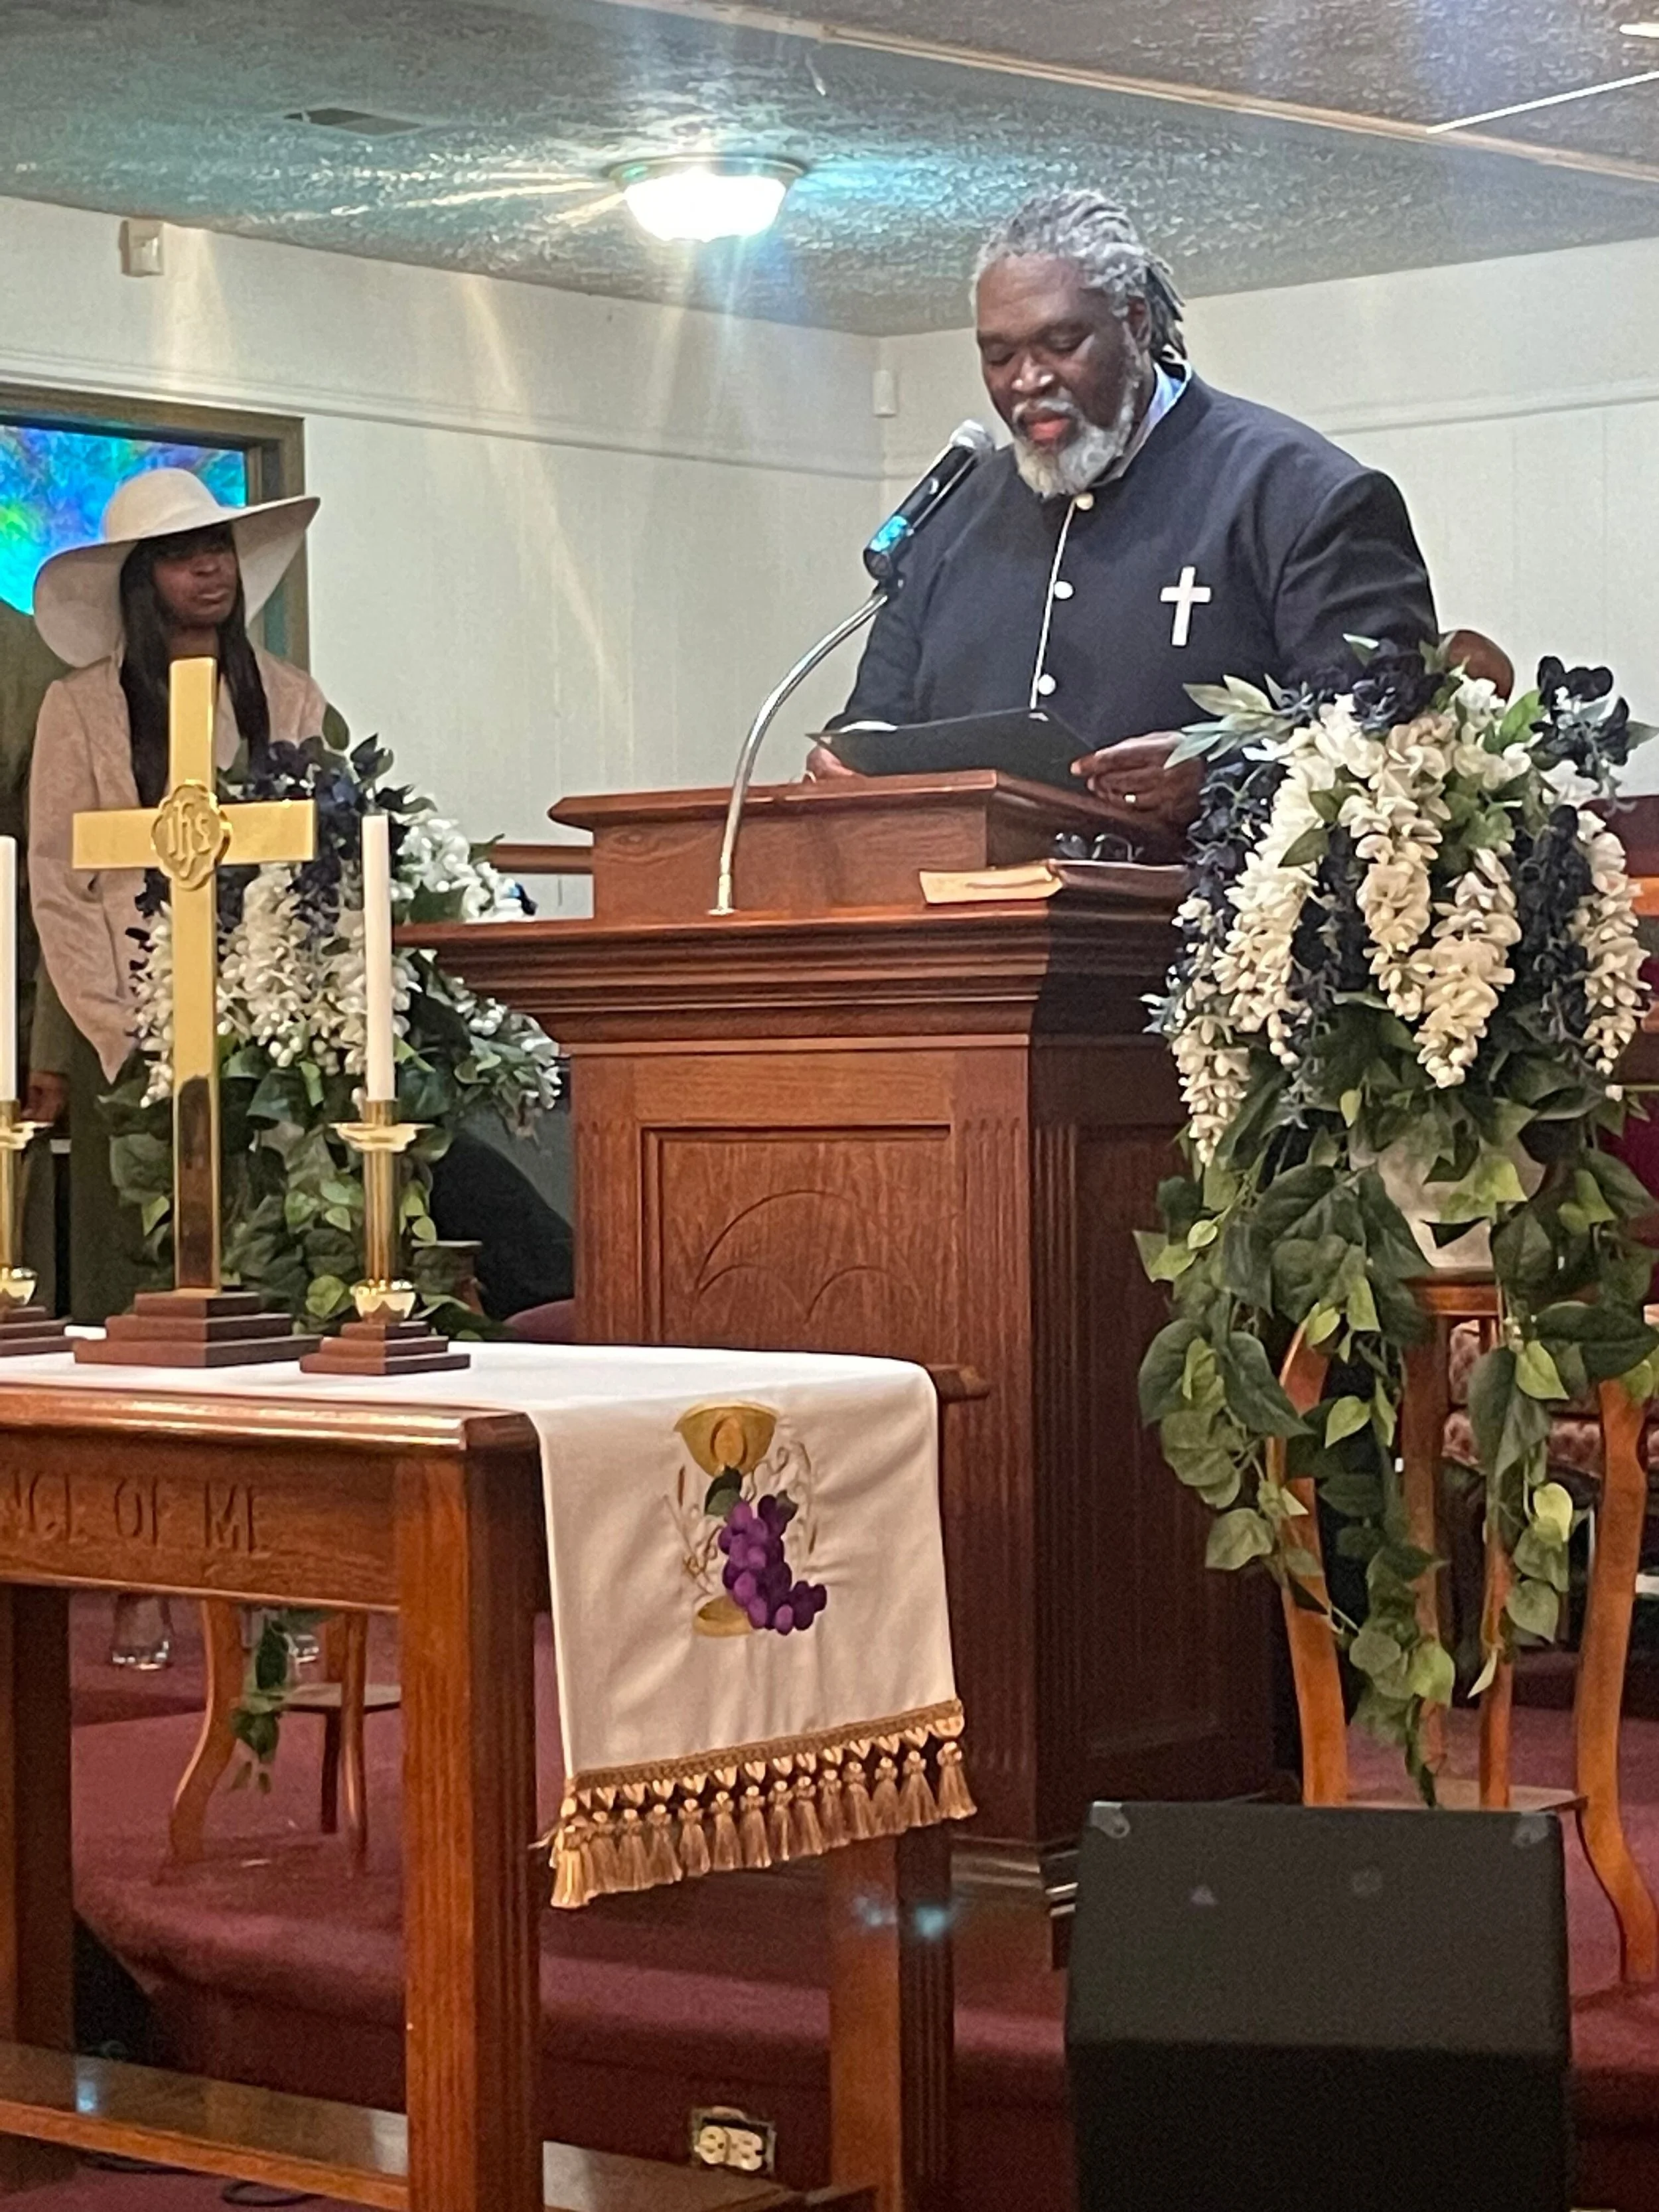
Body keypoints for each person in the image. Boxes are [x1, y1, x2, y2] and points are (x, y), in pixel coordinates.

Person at [808, 190, 1445, 856]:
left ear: (1135, 323)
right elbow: (875, 724)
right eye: (998, 357)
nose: (1027, 381)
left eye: (1061, 344)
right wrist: (851, 766)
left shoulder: (1298, 495)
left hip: (1202, 935)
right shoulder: (952, 516)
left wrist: (1223, 774)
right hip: (964, 933)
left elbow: (1392, 745)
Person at [28, 467, 333, 1323]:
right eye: (180, 556)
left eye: (219, 549)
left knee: (270, 1249)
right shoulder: (80, 708)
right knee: (137, 1261)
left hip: (269, 1019)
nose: (211, 571)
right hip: (130, 1025)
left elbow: (316, 859)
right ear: (139, 581)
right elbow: (60, 879)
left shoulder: (290, 696)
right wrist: (117, 1031)